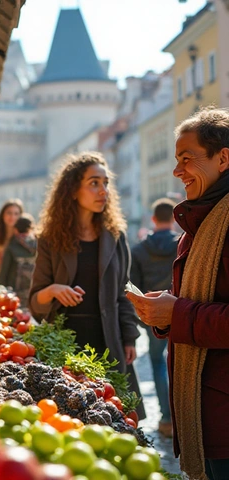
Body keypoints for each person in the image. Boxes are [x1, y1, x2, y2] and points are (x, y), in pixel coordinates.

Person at [127, 107, 229, 480]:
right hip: (210, 413)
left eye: (187, 159)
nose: (176, 170)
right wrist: (165, 313)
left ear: (224, 157)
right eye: (175, 160)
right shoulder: (201, 222)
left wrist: (177, 314)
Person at [28, 152, 144, 418]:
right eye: (94, 183)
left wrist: (129, 338)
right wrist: (54, 290)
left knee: (114, 417)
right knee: (70, 419)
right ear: (72, 190)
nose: (102, 190)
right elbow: (35, 301)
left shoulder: (115, 236)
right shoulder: (50, 239)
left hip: (108, 341)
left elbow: (124, 291)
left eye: (105, 183)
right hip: (65, 345)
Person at [130, 198, 179, 438]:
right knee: (182, 365)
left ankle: (167, 419)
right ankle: (183, 417)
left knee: (159, 362)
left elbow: (133, 289)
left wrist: (145, 317)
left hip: (153, 317)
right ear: (173, 218)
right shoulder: (183, 245)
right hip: (180, 312)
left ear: (153, 219)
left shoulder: (139, 250)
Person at [0, 213, 37, 306]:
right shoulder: (39, 245)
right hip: (34, 292)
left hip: (15, 292)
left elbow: (4, 271)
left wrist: (1, 289)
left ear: (15, 230)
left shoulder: (12, 246)